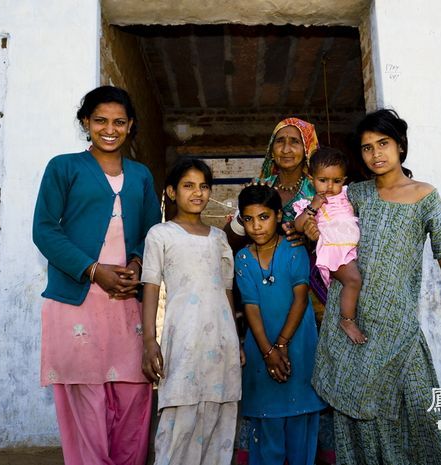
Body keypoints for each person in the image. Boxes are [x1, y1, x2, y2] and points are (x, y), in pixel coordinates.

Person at [311, 108, 441, 464]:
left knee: (419, 409)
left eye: (383, 143)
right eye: (367, 148)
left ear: (400, 145)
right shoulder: (353, 195)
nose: (376, 154)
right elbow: (320, 222)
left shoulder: (425, 195)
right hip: (355, 325)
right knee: (361, 414)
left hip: (398, 324)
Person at [33, 85, 161, 465]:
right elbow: (44, 229)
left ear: (130, 126)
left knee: (134, 396)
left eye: (119, 122)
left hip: (126, 300)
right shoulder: (64, 166)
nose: (110, 129)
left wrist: (137, 264)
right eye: (100, 120)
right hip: (76, 299)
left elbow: (151, 231)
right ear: (85, 123)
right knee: (85, 401)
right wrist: (91, 270)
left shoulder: (140, 175)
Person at [140, 158, 242, 465]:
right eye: (188, 186)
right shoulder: (160, 234)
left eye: (203, 186)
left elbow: (227, 292)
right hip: (183, 339)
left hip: (220, 341)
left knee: (219, 417)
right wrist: (149, 341)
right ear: (171, 192)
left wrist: (236, 341)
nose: (197, 192)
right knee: (178, 416)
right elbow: (150, 287)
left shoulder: (219, 238)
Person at [234, 184, 326, 465]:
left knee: (301, 429)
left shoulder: (294, 250)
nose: (256, 226)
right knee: (267, 428)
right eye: (248, 219)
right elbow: (251, 308)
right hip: (261, 349)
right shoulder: (243, 259)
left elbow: (300, 300)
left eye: (263, 217)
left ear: (277, 216)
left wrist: (282, 345)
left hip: (298, 345)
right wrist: (268, 351)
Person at [294, 147, 366, 344]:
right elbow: (298, 226)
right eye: (323, 180)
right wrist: (314, 206)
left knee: (358, 284)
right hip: (334, 250)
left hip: (352, 248)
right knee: (353, 281)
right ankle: (347, 320)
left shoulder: (347, 194)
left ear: (344, 180)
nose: (329, 186)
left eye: (336, 181)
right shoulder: (310, 203)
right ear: (311, 178)